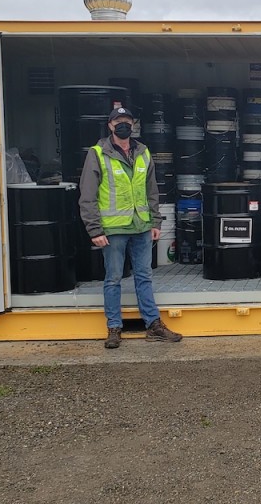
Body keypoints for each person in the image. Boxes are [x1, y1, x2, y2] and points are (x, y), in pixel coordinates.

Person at [79, 107, 183, 349]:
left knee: (144, 276)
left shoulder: (143, 152)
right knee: (113, 279)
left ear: (133, 124)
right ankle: (114, 328)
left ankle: (153, 325)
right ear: (110, 126)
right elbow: (87, 195)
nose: (123, 124)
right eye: (118, 121)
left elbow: (152, 190)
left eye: (127, 120)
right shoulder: (97, 154)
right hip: (113, 229)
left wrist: (155, 221)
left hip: (141, 227)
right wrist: (95, 230)